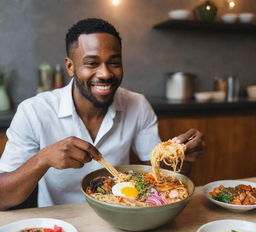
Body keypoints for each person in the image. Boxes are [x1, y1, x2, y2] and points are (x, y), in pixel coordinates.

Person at [0, 18, 204, 210]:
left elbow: (162, 177)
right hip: (60, 226)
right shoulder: (33, 111)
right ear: (70, 67)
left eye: (114, 62)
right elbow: (3, 198)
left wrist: (181, 155)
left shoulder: (138, 104)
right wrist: (42, 159)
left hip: (122, 217)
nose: (105, 73)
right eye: (92, 63)